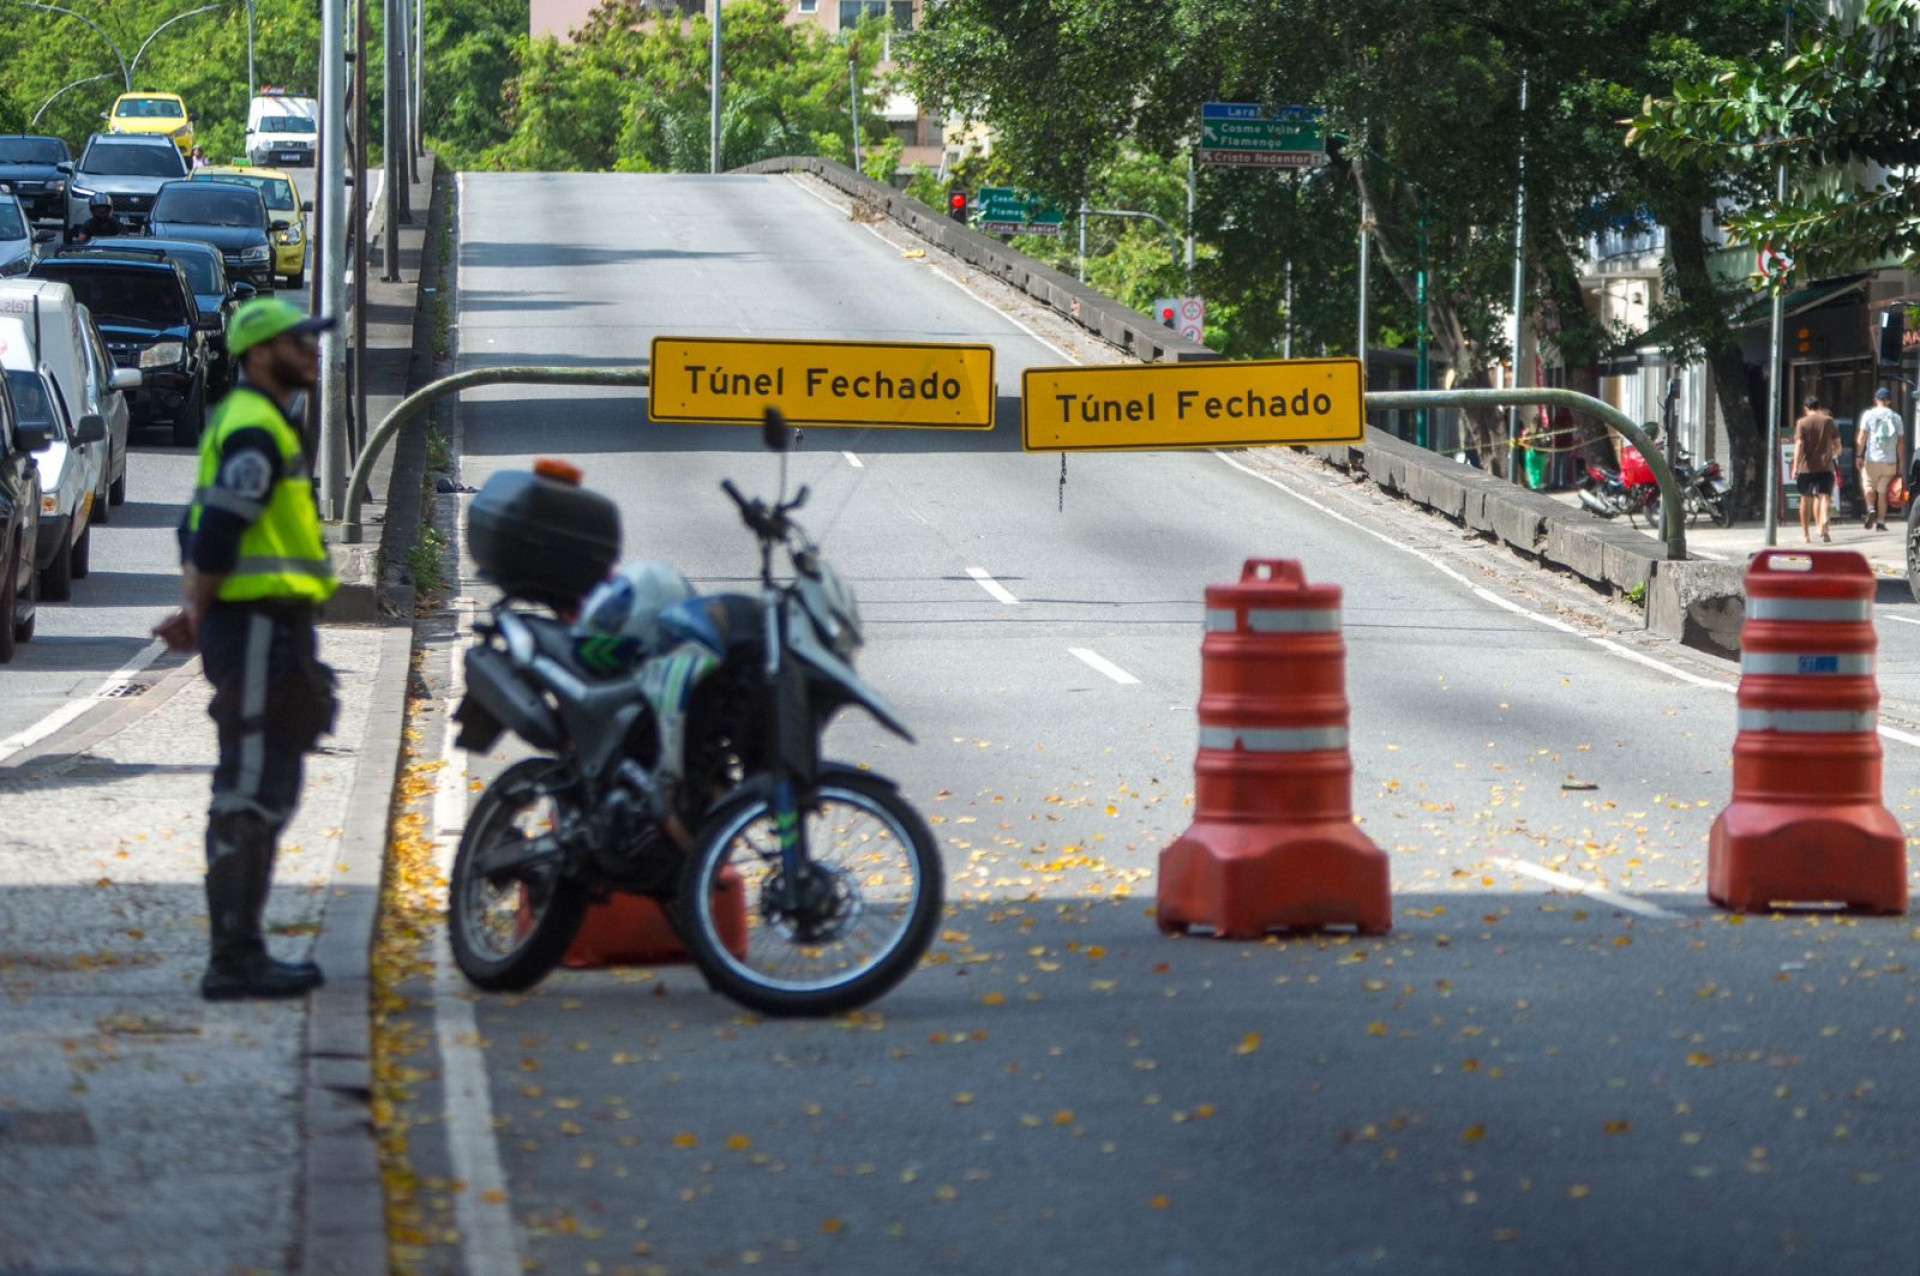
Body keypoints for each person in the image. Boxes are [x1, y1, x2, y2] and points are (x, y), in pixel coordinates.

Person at [153, 297, 340, 1001]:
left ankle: (243, 950)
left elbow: (190, 529)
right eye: (301, 342)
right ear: (261, 352)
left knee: (267, 781)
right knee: (248, 787)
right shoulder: (256, 431)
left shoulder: (254, 423)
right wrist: (199, 614)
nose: (313, 352)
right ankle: (233, 959)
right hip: (256, 627)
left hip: (267, 627)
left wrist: (197, 610)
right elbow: (214, 537)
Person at [1791, 395, 1841, 543]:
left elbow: (1799, 445)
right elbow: (1838, 445)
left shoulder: (1802, 423)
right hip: (1826, 466)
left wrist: (1795, 466)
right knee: (1825, 496)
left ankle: (1806, 535)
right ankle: (1824, 520)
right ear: (1818, 407)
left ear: (1806, 408)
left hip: (1807, 467)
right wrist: (1834, 454)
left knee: (1805, 499)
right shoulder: (1829, 421)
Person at [1857, 387, 1906, 531]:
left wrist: (1859, 455)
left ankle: (1871, 508)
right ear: (1889, 401)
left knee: (1868, 485)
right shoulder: (1896, 418)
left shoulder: (1869, 415)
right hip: (1890, 461)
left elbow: (1862, 437)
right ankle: (1880, 522)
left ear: (1876, 400)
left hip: (1872, 459)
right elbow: (1900, 442)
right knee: (1883, 492)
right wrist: (1901, 461)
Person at [64, 192, 129, 244]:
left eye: (103, 210)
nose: (101, 214)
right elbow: (81, 241)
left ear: (109, 210)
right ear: (92, 211)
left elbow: (124, 240)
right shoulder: (88, 225)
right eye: (98, 211)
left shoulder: (116, 224)